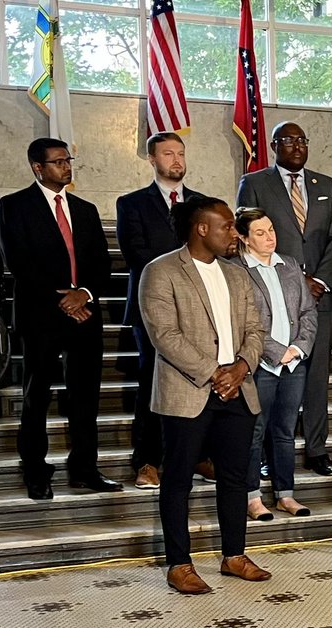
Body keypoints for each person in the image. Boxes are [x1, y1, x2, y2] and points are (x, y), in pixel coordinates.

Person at [139, 196, 271, 595]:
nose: (234, 233)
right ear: (201, 229)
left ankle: (234, 556)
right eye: (227, 226)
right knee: (177, 479)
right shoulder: (161, 271)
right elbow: (165, 336)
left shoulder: (237, 274)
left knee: (235, 477)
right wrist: (215, 373)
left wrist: (241, 368)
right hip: (188, 389)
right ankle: (179, 564)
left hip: (237, 389)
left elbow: (255, 329)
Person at [0, 138, 121, 501]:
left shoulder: (85, 209)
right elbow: (18, 263)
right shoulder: (15, 206)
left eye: (68, 160)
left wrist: (83, 294)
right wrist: (64, 299)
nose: (67, 167)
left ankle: (85, 468)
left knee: (86, 397)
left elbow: (101, 263)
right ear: (38, 167)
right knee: (37, 396)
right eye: (58, 162)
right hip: (40, 316)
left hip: (85, 316)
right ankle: (36, 471)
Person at [236, 121, 332, 478]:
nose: (297, 146)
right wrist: (299, 281)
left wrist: (320, 280)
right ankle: (269, 454)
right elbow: (248, 236)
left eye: (302, 140)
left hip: (321, 298)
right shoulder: (254, 184)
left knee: (316, 379)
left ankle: (317, 449)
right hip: (274, 299)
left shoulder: (325, 185)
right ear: (274, 145)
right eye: (289, 140)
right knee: (272, 378)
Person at [116, 132, 201, 489]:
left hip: (198, 309)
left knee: (199, 383)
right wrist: (176, 281)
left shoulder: (202, 203)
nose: (176, 160)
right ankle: (148, 461)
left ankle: (196, 457)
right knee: (154, 382)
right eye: (168, 153)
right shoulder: (132, 203)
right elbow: (135, 255)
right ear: (152, 159)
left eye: (180, 153)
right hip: (153, 309)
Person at [233, 208, 318, 522]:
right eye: (260, 232)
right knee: (254, 432)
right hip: (260, 365)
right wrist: (275, 351)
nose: (270, 237)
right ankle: (252, 497)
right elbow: (242, 322)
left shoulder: (290, 265)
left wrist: (298, 348)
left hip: (294, 364)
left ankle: (285, 494)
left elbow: (309, 312)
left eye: (271, 230)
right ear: (243, 237)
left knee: (284, 432)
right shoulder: (236, 270)